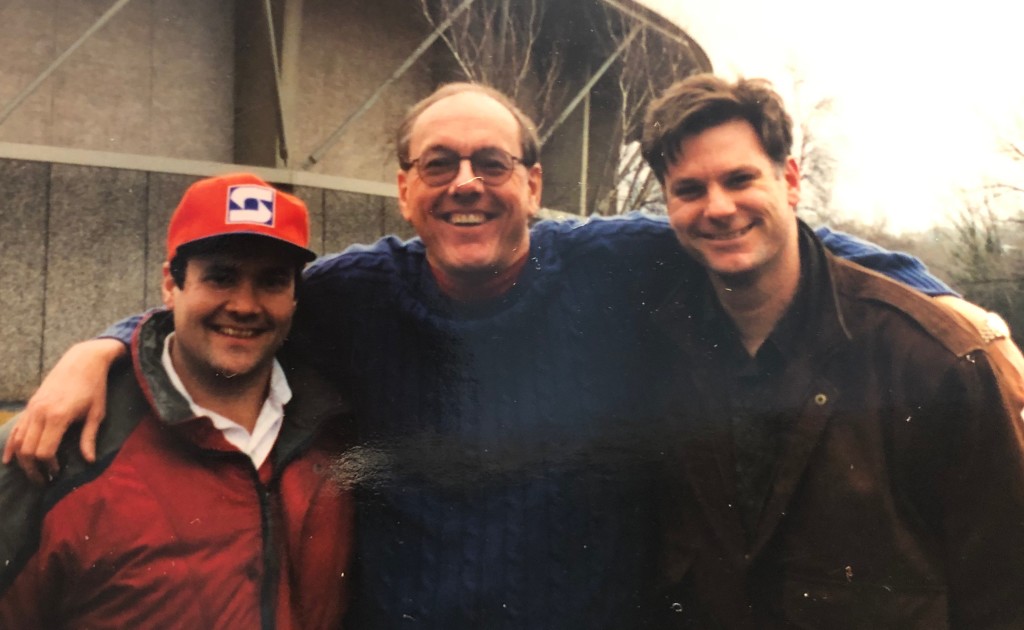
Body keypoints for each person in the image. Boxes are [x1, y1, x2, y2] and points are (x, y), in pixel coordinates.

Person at [3, 83, 1010, 629]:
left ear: (532, 184)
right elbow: (227, 305)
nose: (466, 184)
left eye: (492, 163)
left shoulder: (611, 262)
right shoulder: (354, 291)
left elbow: (767, 233)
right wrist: (103, 345)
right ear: (402, 188)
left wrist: (943, 301)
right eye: (438, 164)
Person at [639, 74, 1024, 628]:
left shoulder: (931, 363)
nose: (718, 207)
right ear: (668, 203)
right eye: (690, 190)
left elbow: (1005, 591)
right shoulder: (661, 352)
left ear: (790, 180)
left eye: (740, 178)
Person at [0, 173, 354, 628]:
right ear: (171, 284)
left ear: (295, 297)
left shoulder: (334, 430)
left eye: (271, 281)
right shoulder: (55, 443)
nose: (245, 305)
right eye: (221, 277)